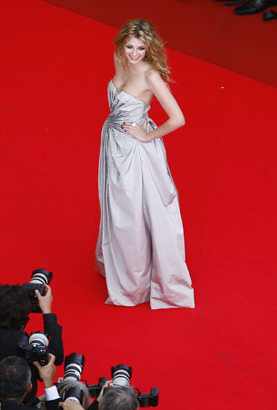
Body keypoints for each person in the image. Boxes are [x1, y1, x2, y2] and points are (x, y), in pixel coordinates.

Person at [95, 18, 195, 310]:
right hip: (112, 141)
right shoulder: (119, 59)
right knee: (115, 206)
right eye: (129, 46)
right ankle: (119, 263)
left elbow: (178, 119)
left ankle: (135, 282)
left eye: (140, 48)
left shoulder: (151, 76)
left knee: (132, 213)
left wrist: (147, 134)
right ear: (121, 45)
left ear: (149, 47)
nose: (134, 54)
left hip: (135, 152)